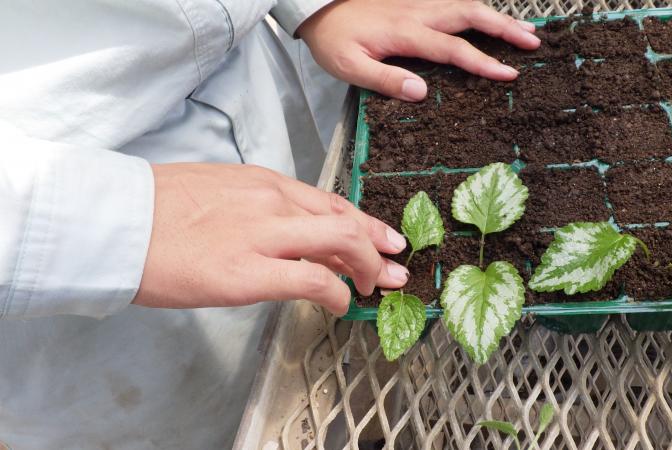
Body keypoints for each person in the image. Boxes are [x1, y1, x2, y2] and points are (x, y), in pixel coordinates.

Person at [0, 0, 540, 448]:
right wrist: (105, 218)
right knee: (214, 418)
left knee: (349, 366)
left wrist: (317, 6)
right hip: (88, 222)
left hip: (264, 66)